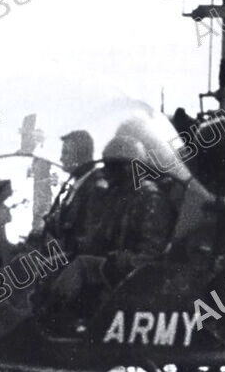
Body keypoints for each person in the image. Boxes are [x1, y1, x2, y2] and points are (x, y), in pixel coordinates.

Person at [44, 134, 176, 312]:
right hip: (113, 266)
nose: (106, 172)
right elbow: (99, 237)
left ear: (130, 168)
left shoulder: (150, 197)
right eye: (107, 166)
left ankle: (54, 314)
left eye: (113, 167)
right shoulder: (117, 195)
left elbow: (151, 255)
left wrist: (112, 262)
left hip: (134, 274)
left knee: (82, 266)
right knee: (51, 266)